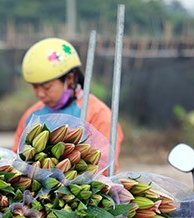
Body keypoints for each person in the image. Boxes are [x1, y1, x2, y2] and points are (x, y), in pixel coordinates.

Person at [12, 37, 124, 172]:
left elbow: (105, 168)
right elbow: (16, 160)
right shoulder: (32, 115)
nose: (40, 94)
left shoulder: (99, 115)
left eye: (46, 87)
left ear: (69, 79)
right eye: (35, 87)